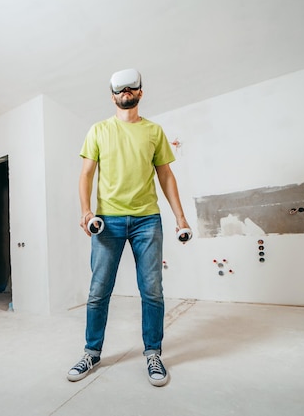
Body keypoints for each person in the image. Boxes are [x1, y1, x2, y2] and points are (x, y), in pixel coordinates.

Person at [67, 68, 191, 387]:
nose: (125, 93)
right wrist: (85, 210)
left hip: (147, 220)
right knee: (98, 292)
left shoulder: (154, 131)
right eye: (119, 89)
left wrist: (180, 216)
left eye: (130, 88)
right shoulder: (98, 130)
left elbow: (166, 175)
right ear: (112, 96)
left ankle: (153, 353)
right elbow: (85, 175)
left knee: (152, 291)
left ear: (140, 92)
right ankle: (92, 352)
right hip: (106, 221)